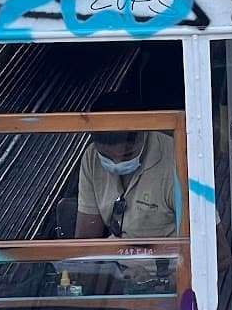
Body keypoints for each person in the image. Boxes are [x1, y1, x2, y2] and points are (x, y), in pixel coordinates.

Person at [76, 91, 178, 240]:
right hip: (113, 253)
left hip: (167, 254)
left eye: (127, 155)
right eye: (107, 156)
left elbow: (206, 242)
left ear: (144, 134)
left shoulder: (177, 159)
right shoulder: (91, 157)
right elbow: (86, 240)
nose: (117, 164)